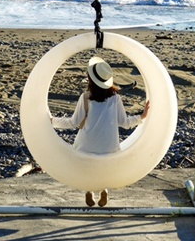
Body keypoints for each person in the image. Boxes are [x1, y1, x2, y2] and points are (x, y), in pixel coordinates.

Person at [51, 55, 150, 207]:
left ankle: (89, 190)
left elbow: (73, 122)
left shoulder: (85, 97)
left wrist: (53, 121)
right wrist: (141, 117)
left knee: (84, 159)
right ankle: (103, 188)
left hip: (86, 147)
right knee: (104, 162)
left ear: (90, 79)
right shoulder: (115, 98)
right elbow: (124, 122)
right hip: (109, 148)